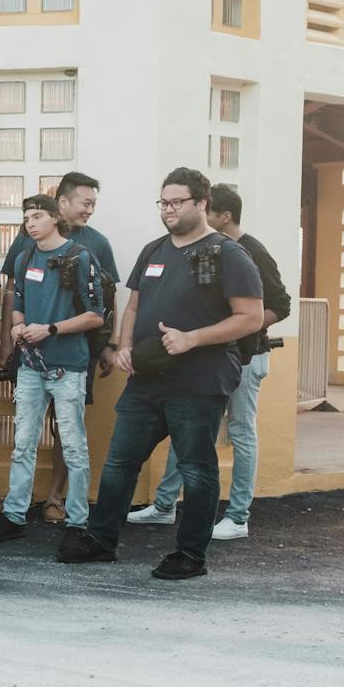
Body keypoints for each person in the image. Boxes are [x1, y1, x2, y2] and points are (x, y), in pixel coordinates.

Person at [62, 167, 264, 581]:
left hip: (200, 381)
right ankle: (101, 541)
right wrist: (125, 347)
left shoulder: (228, 254)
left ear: (202, 204)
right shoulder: (154, 250)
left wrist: (193, 339)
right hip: (147, 378)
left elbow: (251, 318)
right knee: (120, 462)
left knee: (196, 468)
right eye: (163, 202)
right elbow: (134, 305)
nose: (168, 210)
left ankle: (190, 554)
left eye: (177, 202)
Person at [129, 182, 290, 542]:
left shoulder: (248, 251)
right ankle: (165, 505)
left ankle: (238, 516)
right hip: (202, 362)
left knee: (240, 433)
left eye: (206, 210)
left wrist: (230, 329)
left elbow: (280, 304)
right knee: (185, 432)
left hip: (246, 358)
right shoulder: (196, 250)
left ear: (222, 215)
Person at [0, 170, 119, 525]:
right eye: (26, 219)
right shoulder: (23, 258)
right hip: (31, 367)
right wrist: (17, 327)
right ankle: (14, 514)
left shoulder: (83, 256)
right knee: (23, 443)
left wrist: (50, 329)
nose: (30, 224)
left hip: (69, 366)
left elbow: (96, 315)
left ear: (55, 217)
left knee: (73, 445)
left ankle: (78, 520)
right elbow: (16, 298)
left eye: (37, 217)